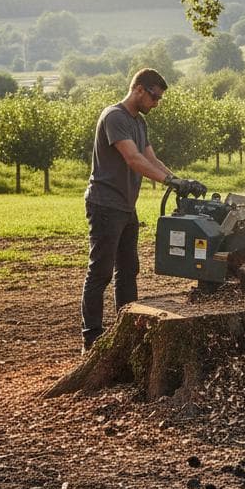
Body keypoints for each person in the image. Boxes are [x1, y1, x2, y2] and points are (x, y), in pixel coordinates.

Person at [79, 68, 206, 353]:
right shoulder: (114, 117)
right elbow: (133, 159)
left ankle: (126, 333)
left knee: (128, 270)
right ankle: (92, 340)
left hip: (125, 206)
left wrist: (178, 181)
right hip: (104, 204)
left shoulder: (139, 123)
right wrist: (168, 181)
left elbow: (150, 157)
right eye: (154, 97)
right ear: (139, 89)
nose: (156, 103)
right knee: (100, 272)